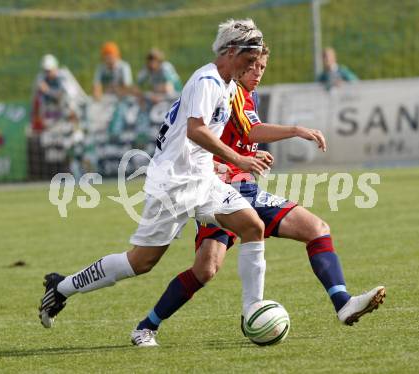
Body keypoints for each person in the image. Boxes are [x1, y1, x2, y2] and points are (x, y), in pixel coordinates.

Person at [39, 18, 272, 347]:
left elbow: (229, 131)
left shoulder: (229, 84)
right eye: (249, 61)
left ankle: (253, 312)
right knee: (141, 262)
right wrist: (238, 160)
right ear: (230, 52)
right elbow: (196, 130)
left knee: (252, 227)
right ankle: (61, 287)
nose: (253, 68)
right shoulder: (207, 80)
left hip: (203, 180)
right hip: (174, 183)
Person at [134, 45, 386, 346]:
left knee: (213, 266)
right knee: (211, 266)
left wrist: (250, 156)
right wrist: (294, 130)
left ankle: (343, 303)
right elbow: (245, 132)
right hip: (217, 191)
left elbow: (247, 134)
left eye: (262, 67)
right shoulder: (224, 91)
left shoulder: (245, 94)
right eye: (252, 65)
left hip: (243, 189)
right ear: (239, 62)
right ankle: (150, 325)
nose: (257, 72)